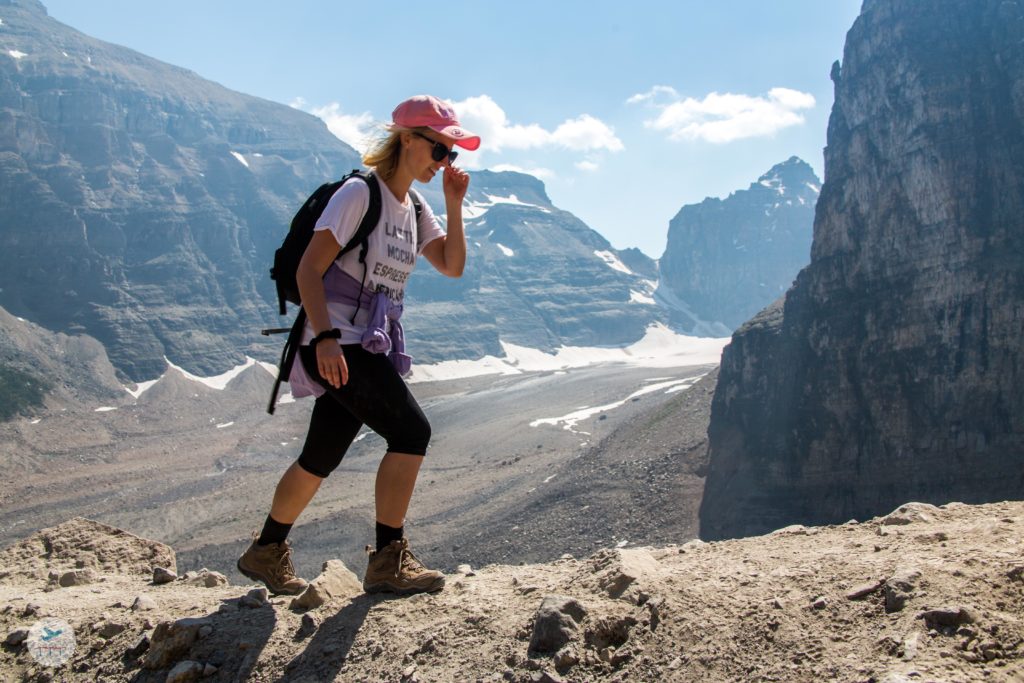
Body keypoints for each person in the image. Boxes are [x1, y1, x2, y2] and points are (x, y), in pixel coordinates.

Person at [238, 95, 479, 596]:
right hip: (335, 341)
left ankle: (265, 551)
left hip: (363, 347)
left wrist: (455, 206)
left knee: (320, 456)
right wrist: (324, 338)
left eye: (451, 155)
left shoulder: (415, 206)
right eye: (440, 150)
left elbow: (452, 265)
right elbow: (309, 267)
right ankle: (388, 560)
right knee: (412, 432)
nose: (445, 163)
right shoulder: (358, 194)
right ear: (408, 139)